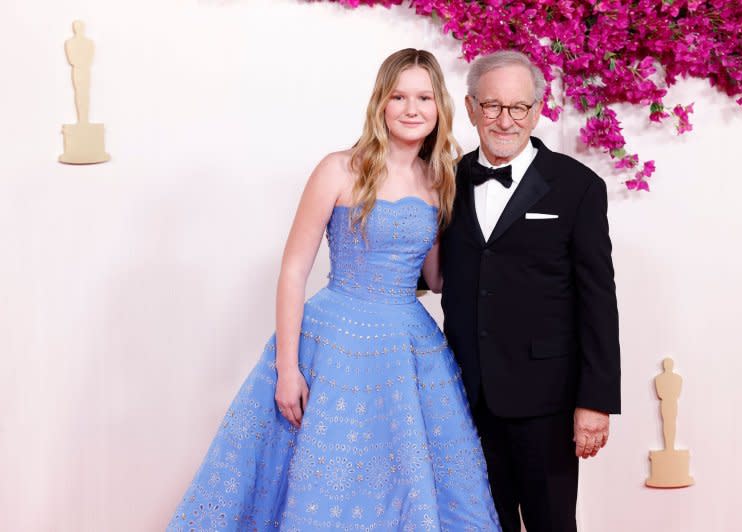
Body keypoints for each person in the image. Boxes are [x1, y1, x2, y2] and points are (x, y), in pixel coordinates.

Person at [168, 48, 501, 531]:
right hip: (334, 339)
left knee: (401, 481)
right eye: (399, 96)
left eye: (424, 97)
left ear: (440, 107)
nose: (412, 109)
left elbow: (435, 278)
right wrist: (287, 368)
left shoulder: (439, 178)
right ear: (380, 104)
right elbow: (293, 271)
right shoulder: (341, 168)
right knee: (330, 479)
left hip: (406, 347)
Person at [438, 51, 621, 532]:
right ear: (471, 108)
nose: (505, 120)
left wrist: (595, 400)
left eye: (518, 107)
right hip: (462, 393)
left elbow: (598, 300)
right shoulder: (444, 182)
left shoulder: (577, 186)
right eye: (493, 106)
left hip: (548, 400)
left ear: (538, 110)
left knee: (551, 524)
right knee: (477, 523)